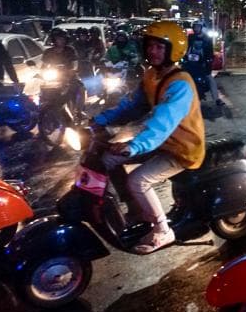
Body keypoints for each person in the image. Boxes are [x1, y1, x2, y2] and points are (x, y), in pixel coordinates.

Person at [93, 21, 205, 254]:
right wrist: (100, 119)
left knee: (138, 180)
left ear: (173, 49)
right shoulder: (151, 76)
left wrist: (134, 146)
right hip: (162, 143)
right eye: (150, 46)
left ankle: (163, 230)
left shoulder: (180, 84)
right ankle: (136, 210)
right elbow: (132, 106)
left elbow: (162, 122)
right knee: (106, 160)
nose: (152, 51)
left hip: (182, 149)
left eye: (159, 47)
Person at [185, 20, 224, 106]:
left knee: (210, 78)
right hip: (191, 62)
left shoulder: (207, 38)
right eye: (195, 26)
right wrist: (184, 56)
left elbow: (210, 51)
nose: (196, 28)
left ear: (201, 28)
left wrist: (209, 59)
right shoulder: (190, 37)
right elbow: (186, 48)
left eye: (198, 27)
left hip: (203, 62)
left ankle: (217, 99)